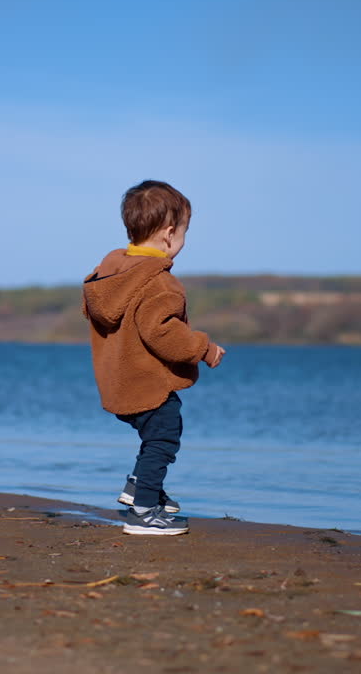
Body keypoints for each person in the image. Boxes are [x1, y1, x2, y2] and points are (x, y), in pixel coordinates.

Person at [82, 180, 225, 535]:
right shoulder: (159, 283)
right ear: (169, 234)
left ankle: (139, 487)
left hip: (118, 383)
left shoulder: (112, 272)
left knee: (153, 435)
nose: (183, 242)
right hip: (146, 383)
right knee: (164, 434)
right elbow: (162, 333)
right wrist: (204, 348)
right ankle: (145, 510)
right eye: (185, 233)